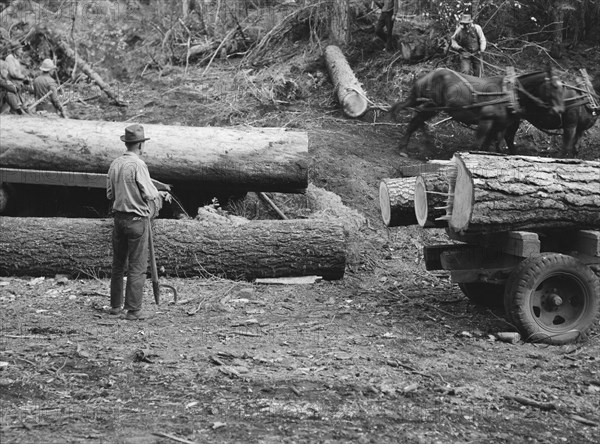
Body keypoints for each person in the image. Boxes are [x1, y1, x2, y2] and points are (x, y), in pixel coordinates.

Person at [106, 124, 166, 321]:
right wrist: (158, 197)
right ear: (140, 145)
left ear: (127, 143)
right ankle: (133, 310)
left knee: (117, 265)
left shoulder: (115, 164)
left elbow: (109, 194)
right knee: (137, 266)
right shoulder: (138, 165)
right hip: (137, 221)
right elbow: (150, 193)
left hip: (119, 220)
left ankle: (115, 306)